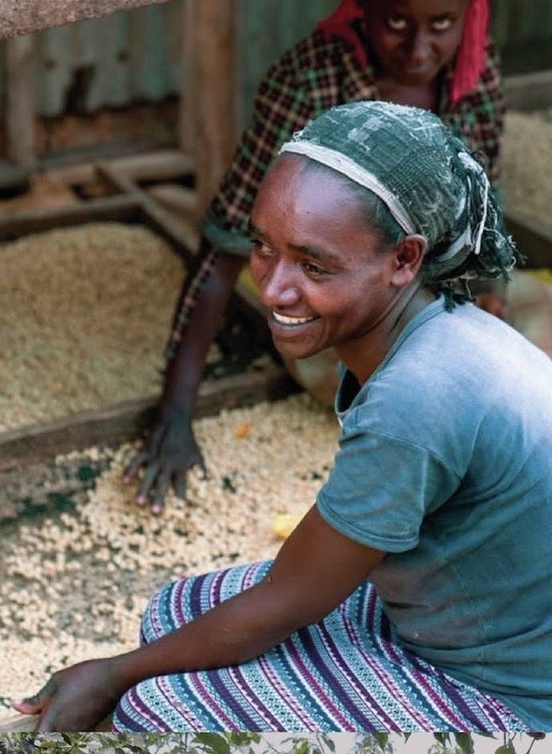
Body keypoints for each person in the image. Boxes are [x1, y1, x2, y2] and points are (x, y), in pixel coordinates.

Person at [20, 102, 552, 732]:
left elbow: (288, 600)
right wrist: (133, 663)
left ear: (405, 259)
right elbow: (310, 575)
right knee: (175, 610)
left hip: (535, 701)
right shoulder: (441, 331)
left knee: (155, 706)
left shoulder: (419, 394)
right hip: (479, 622)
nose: (273, 289)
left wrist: (114, 673)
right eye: (263, 249)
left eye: (314, 265)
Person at [129, 0, 505, 511]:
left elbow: (482, 208)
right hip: (339, 312)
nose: (419, 50)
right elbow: (227, 244)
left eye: (441, 25)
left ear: (469, 18)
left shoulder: (474, 77)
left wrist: (491, 289)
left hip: (422, 293)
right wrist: (174, 412)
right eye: (396, 22)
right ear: (364, 11)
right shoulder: (312, 83)